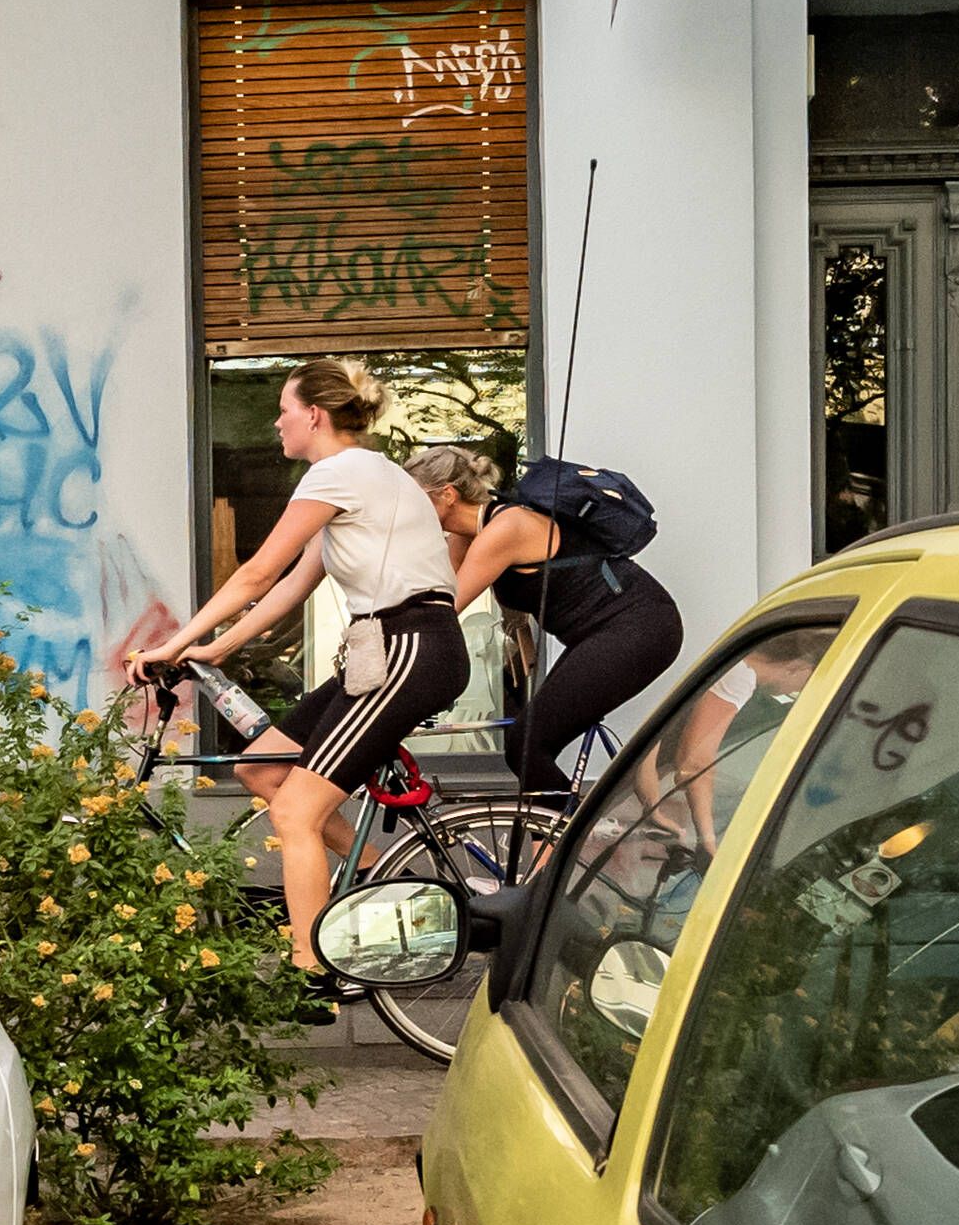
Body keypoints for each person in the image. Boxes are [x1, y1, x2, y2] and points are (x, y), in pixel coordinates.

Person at [151, 354, 465, 974]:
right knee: (263, 770)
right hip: (399, 648)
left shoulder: (337, 473)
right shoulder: (372, 474)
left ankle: (312, 969)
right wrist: (213, 649)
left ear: (314, 415)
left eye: (285, 411)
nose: (277, 424)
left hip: (406, 647)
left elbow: (257, 572)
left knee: (296, 809)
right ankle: (373, 870)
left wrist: (170, 643)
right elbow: (295, 584)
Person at [416, 443, 683, 794]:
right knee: (529, 740)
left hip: (638, 626)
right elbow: (431, 599)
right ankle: (557, 839)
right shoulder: (469, 535)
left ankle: (562, 842)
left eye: (413, 499)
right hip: (599, 633)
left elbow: (445, 610)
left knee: (526, 747)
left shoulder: (506, 528)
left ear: (447, 495)